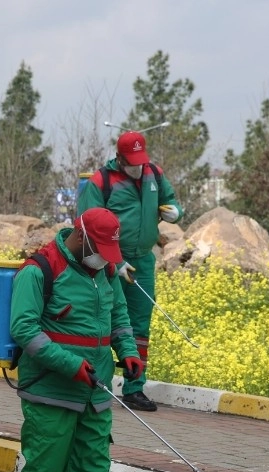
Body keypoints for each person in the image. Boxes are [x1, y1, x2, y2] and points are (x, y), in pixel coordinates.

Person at [10, 207, 145, 472]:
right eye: (100, 249)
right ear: (81, 236)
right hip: (51, 391)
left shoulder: (105, 271)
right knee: (43, 471)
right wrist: (70, 365)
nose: (104, 259)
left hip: (95, 393)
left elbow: (119, 317)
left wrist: (129, 352)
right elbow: (24, 329)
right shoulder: (39, 270)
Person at [77, 130, 183, 412]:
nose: (137, 167)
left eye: (141, 160)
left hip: (144, 261)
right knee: (102, 319)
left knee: (139, 326)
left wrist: (175, 211)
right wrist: (113, 262)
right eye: (132, 162)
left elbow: (171, 200)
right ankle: (96, 383)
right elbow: (86, 224)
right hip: (108, 262)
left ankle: (135, 388)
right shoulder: (102, 181)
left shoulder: (154, 175)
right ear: (120, 157)